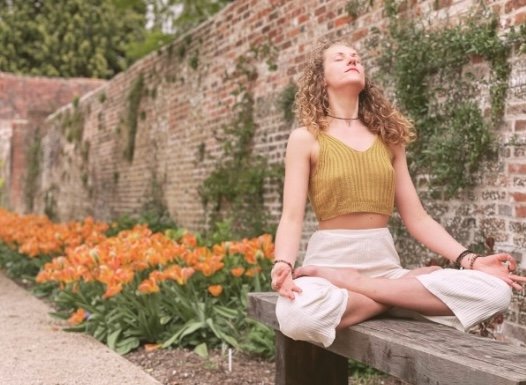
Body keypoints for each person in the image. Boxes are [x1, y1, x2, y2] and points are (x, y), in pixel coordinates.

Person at [270, 38, 526, 348]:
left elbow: (417, 217)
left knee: (495, 292)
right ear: (321, 78)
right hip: (329, 266)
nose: (352, 60)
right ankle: (400, 296)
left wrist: (470, 260)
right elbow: (292, 216)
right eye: (340, 58)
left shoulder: (389, 139)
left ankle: (370, 289)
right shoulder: (305, 138)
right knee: (297, 316)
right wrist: (283, 263)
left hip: (384, 267)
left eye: (356, 57)